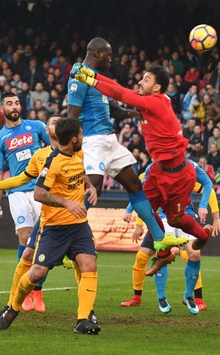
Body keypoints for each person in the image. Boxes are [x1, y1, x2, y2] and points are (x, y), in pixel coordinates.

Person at [72, 63, 212, 273]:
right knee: (142, 206)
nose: (140, 81)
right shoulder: (154, 101)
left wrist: (91, 80)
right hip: (159, 170)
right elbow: (120, 88)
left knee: (175, 218)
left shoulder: (156, 103)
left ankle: (201, 235)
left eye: (146, 79)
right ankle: (163, 253)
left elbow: (122, 93)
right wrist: (92, 74)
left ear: (156, 88)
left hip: (179, 174)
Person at [67, 38, 187, 260]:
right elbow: (71, 116)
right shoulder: (79, 78)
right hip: (92, 140)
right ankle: (64, 233)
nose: (111, 59)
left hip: (109, 141)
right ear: (96, 53)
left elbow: (114, 109)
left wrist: (132, 113)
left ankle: (160, 238)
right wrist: (71, 147)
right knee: (94, 189)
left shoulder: (96, 78)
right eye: (108, 55)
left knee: (134, 184)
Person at [0, 115, 97, 321]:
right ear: (48, 131)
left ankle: (87, 311)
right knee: (27, 255)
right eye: (52, 122)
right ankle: (11, 305)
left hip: (70, 218)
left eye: (59, 121)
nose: (56, 123)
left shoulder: (76, 152)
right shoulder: (42, 156)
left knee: (83, 261)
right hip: (49, 215)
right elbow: (21, 179)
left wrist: (90, 186)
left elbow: (80, 173)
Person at [121, 162, 220, 314]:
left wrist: (205, 207)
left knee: (194, 254)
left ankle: (191, 296)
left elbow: (208, 183)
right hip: (162, 217)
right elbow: (139, 193)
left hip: (184, 215)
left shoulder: (189, 167)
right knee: (157, 253)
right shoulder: (152, 168)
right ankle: (156, 297)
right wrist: (131, 213)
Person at [0, 92, 51, 309]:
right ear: (2, 109)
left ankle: (38, 291)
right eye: (9, 103)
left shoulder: (36, 126)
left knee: (43, 241)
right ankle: (24, 292)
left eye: (16, 102)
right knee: (25, 239)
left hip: (41, 190)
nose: (14, 106)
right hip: (16, 192)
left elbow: (55, 150)